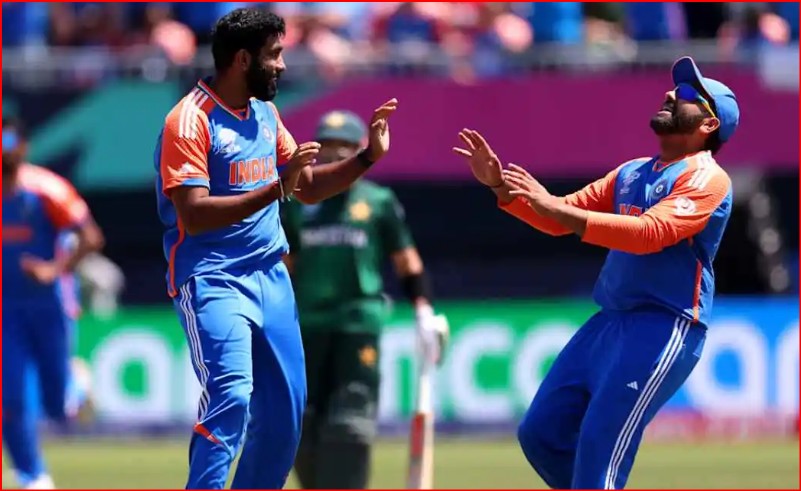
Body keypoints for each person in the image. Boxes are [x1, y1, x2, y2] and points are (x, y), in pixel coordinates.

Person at [453, 56, 739, 489]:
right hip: (609, 321)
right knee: (541, 435)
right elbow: (557, 218)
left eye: (685, 94)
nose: (669, 94)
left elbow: (650, 233)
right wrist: (500, 187)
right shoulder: (632, 172)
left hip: (664, 325)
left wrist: (555, 207)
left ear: (709, 124)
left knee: (598, 452)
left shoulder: (707, 178)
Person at [152, 8, 398, 490]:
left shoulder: (265, 114)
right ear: (243, 59)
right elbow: (194, 214)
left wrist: (367, 157)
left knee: (285, 418)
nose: (283, 65)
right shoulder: (189, 121)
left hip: (271, 278)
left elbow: (306, 186)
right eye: (275, 54)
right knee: (231, 397)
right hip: (213, 277)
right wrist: (275, 189)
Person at [281, 111, 448, 489]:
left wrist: (423, 310)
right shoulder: (297, 201)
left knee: (349, 423)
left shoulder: (378, 201)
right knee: (300, 423)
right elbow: (284, 267)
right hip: (305, 326)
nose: (334, 154)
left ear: (359, 149)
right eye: (327, 145)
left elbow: (407, 262)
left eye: (343, 146)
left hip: (357, 324)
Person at [2, 117, 105, 489]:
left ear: (23, 146)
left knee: (55, 405)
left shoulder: (46, 190)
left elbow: (91, 238)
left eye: (8, 141)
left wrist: (53, 270)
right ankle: (33, 475)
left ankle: (75, 384)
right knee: (10, 396)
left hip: (50, 306)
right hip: (6, 311)